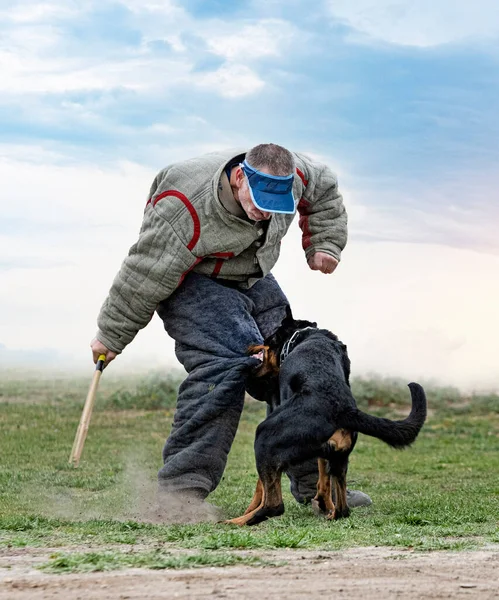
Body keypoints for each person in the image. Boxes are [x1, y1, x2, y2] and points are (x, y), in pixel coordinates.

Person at [90, 143, 371, 509]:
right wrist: (111, 335)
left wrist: (326, 242)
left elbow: (326, 190)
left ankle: (315, 487)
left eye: (274, 207)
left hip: (249, 274)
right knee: (229, 364)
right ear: (240, 178)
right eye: (258, 203)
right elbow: (145, 274)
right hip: (191, 278)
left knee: (292, 360)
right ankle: (180, 494)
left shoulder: (298, 174)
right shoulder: (183, 209)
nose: (264, 215)